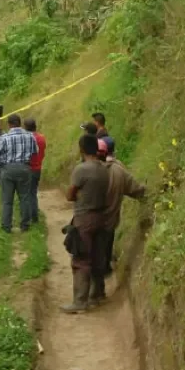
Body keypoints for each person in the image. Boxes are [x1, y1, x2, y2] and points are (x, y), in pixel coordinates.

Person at [61, 134, 110, 313]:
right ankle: (97, 295)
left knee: (81, 259)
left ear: (82, 149)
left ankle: (80, 302)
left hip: (84, 218)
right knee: (98, 257)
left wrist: (77, 196)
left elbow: (70, 195)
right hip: (102, 217)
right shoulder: (104, 169)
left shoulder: (81, 169)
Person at [96, 140, 145, 277]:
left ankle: (93, 285)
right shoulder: (119, 170)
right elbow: (137, 190)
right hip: (110, 221)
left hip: (90, 221)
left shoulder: (86, 170)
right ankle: (104, 271)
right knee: (105, 246)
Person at [0, 114, 38, 233]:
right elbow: (35, 151)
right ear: (20, 123)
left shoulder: (4, 137)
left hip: (8, 169)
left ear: (9, 124)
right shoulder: (30, 136)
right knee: (24, 198)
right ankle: (25, 225)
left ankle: (6, 226)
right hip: (24, 168)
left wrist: (3, 166)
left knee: (7, 200)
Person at [24, 118, 47, 223]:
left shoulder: (26, 139)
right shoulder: (41, 138)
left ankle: (28, 217)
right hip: (38, 168)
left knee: (27, 194)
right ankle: (35, 217)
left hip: (28, 168)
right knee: (33, 193)